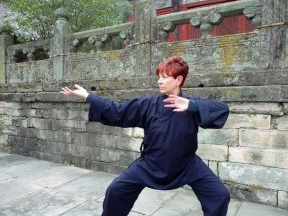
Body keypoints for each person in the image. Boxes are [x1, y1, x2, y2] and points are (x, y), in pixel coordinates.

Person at [60, 56, 230, 216]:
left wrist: (192, 106)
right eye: (159, 77)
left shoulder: (192, 104)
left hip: (186, 165)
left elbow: (222, 109)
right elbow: (118, 110)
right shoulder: (148, 104)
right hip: (150, 164)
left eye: (164, 77)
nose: (159, 81)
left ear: (178, 80)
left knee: (220, 195)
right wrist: (89, 96)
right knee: (116, 191)